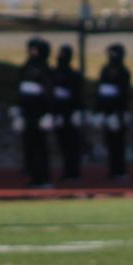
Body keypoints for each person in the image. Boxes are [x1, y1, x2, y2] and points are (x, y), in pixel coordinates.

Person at [16, 37, 53, 188]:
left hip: (40, 114)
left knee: (40, 147)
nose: (33, 52)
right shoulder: (26, 67)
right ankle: (34, 178)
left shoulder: (44, 69)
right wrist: (18, 111)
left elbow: (49, 93)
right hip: (27, 114)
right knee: (29, 146)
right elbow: (20, 90)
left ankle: (44, 179)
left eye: (36, 49)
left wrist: (48, 113)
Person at [95, 43, 132, 181]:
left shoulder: (124, 71)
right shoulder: (105, 70)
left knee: (119, 144)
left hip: (118, 114)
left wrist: (120, 113)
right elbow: (100, 91)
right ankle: (112, 170)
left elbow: (124, 94)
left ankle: (120, 171)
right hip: (107, 112)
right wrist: (98, 111)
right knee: (109, 143)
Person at [52, 44, 84, 182]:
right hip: (58, 113)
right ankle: (67, 172)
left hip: (70, 114)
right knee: (63, 144)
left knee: (73, 144)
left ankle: (74, 172)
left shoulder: (74, 74)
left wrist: (78, 111)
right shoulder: (54, 73)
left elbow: (79, 95)